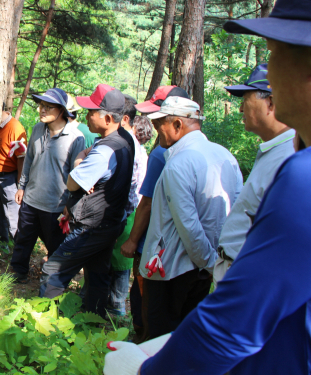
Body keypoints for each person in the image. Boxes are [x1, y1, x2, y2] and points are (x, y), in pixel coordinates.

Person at [105, 0, 311, 374]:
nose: (269, 72)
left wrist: (145, 369)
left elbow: (234, 326)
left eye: (273, 54)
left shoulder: (302, 178)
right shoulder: (235, 155)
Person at [139, 96, 243, 339]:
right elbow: (236, 210)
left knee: (159, 336)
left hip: (173, 269)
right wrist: (214, 263)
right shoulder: (225, 155)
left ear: (177, 124)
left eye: (159, 125)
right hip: (205, 268)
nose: (157, 132)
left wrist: (209, 262)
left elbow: (188, 225)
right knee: (187, 336)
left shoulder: (180, 163)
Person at [39, 84, 134, 316]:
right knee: (98, 273)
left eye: (92, 112)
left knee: (53, 271)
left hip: (91, 226)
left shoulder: (104, 151)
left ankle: (43, 322)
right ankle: (93, 320)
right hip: (111, 222)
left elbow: (72, 183)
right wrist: (84, 158)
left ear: (109, 118)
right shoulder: (124, 139)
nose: (87, 117)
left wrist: (79, 163)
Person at [119, 85, 189, 341]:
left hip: (153, 248)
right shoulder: (197, 153)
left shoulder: (162, 153)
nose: (154, 124)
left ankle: (142, 344)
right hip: (181, 254)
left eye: (157, 116)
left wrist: (133, 240)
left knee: (144, 303)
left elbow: (146, 203)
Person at [214, 64, 294, 285]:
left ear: (270, 102)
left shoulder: (290, 157)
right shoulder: (274, 150)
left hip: (250, 279)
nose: (240, 110)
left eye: (245, 100)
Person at [9, 88, 85, 283]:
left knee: (56, 246)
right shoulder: (37, 129)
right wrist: (22, 186)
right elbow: (29, 160)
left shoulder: (76, 138)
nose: (41, 110)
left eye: (47, 107)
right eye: (41, 105)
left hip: (56, 205)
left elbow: (77, 176)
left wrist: (70, 204)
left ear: (61, 111)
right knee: (23, 240)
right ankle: (17, 273)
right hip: (31, 199)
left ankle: (52, 282)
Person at [102, 94, 146, 317]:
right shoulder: (123, 142)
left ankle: (117, 308)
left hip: (126, 212)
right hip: (118, 211)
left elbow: (130, 184)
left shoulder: (130, 145)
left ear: (125, 119)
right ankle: (110, 304)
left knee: (120, 262)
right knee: (112, 259)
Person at [0, 103, 28, 243]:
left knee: (13, 217)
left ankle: (19, 250)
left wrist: (20, 185)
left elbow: (22, 157)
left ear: (2, 109)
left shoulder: (14, 127)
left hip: (10, 178)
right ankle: (2, 243)